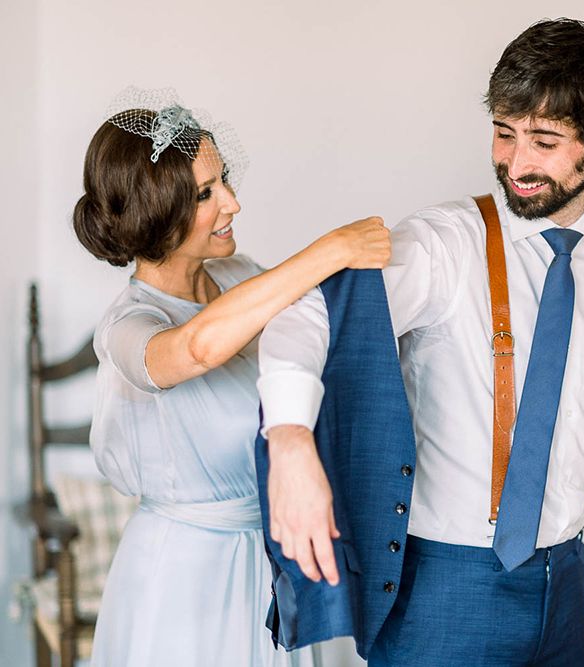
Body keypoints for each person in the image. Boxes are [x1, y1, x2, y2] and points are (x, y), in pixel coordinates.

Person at [256, 19, 584, 667]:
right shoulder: (442, 244)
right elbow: (305, 315)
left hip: (565, 589)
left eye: (544, 140)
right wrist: (290, 440)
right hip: (440, 590)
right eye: (504, 132)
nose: (516, 161)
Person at [72, 87, 390, 667]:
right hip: (185, 578)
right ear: (156, 211)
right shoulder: (127, 326)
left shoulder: (241, 274)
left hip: (274, 557)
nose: (233, 204)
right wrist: (331, 249)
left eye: (225, 181)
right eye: (205, 194)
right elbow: (195, 348)